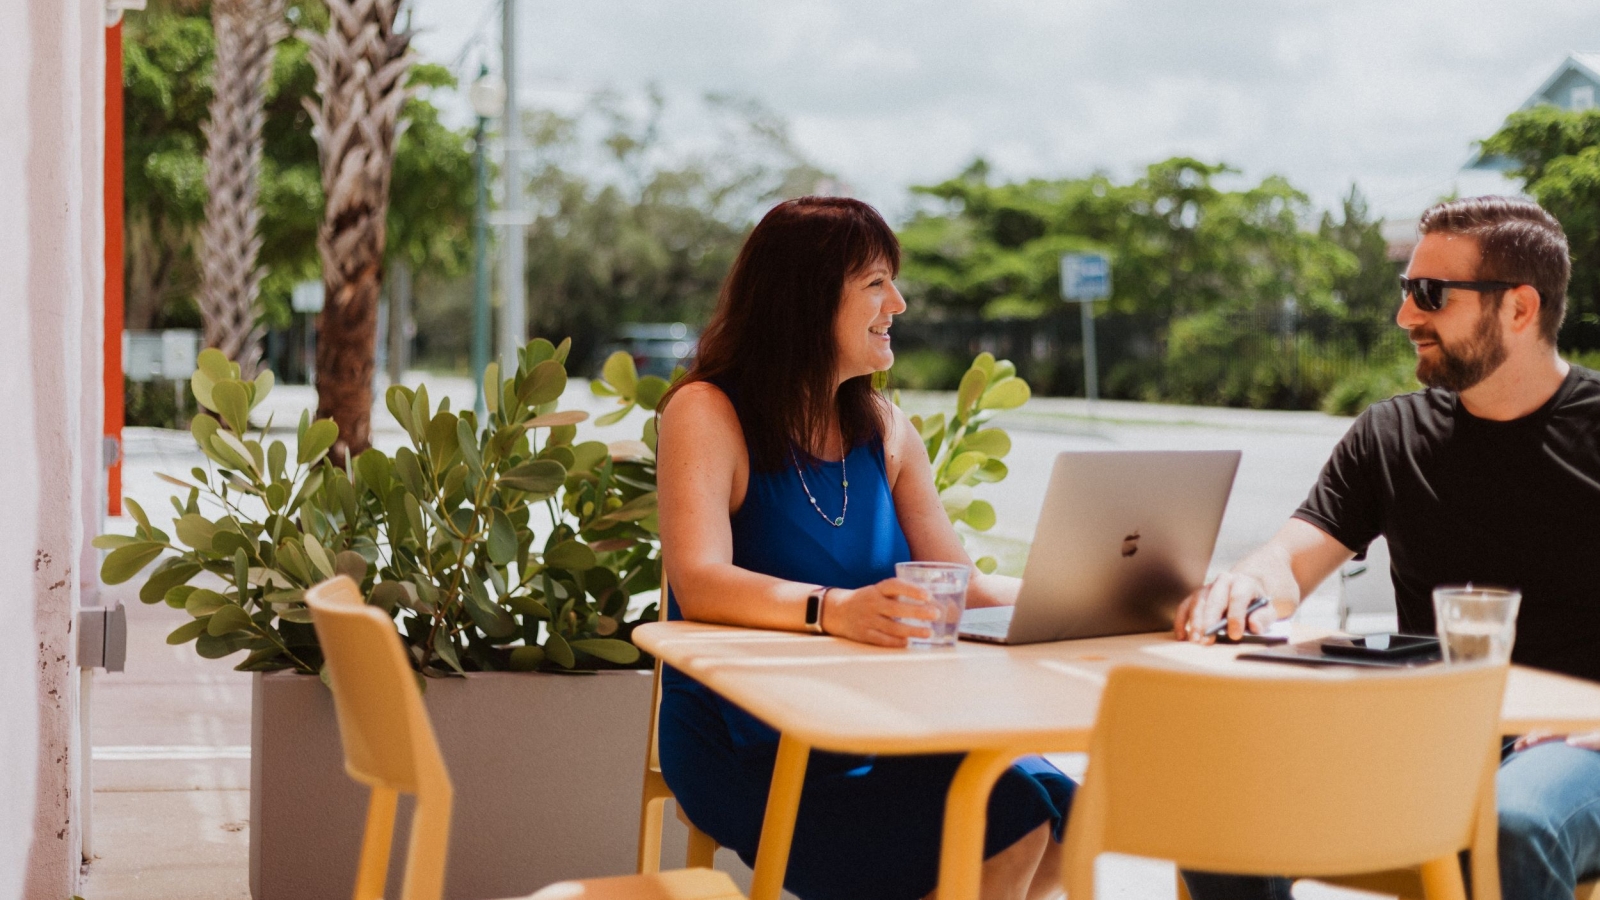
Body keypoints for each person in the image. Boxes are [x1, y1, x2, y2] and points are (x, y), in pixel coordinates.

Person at [1174, 196, 1600, 900]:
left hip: (1575, 741)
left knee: (1511, 824)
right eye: (1406, 292)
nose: (1406, 317)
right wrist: (1248, 582)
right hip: (1425, 732)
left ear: (1520, 309)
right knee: (1219, 799)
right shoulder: (1389, 435)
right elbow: (1289, 559)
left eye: (1430, 294)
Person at [654, 196, 1075, 900]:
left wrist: (1095, 597)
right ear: (805, 299)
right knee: (1014, 814)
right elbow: (698, 580)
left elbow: (959, 584)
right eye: (877, 283)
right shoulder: (706, 411)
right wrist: (834, 610)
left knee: (1064, 812)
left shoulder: (883, 426)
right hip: (750, 743)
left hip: (887, 725)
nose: (900, 304)